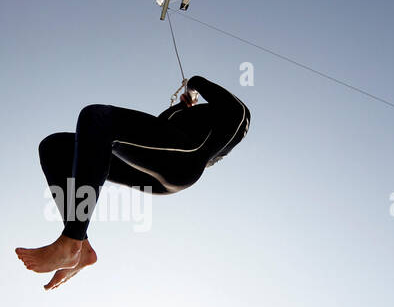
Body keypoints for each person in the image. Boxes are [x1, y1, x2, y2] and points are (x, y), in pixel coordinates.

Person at [16, 74, 251, 290]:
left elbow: (235, 109)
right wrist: (182, 106)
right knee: (55, 148)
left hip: (185, 161)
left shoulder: (235, 116)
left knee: (96, 117)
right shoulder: (180, 116)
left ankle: (71, 241)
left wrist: (193, 88)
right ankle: (82, 249)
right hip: (155, 169)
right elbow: (157, 130)